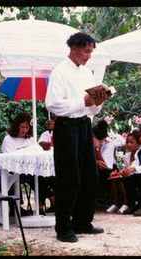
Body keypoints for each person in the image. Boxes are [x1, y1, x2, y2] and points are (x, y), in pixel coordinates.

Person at [45, 32, 107, 243]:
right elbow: (53, 104)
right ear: (73, 48)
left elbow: (91, 109)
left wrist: (98, 101)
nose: (89, 55)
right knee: (69, 177)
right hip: (65, 126)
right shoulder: (59, 72)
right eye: (86, 51)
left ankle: (83, 221)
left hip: (83, 126)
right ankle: (63, 227)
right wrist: (83, 102)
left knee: (90, 176)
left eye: (91, 51)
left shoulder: (87, 73)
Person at [1, 112, 36, 214]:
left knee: (39, 176)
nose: (24, 130)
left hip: (29, 169)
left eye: (27, 127)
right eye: (22, 127)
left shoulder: (30, 140)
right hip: (13, 171)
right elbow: (8, 159)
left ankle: (41, 204)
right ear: (17, 126)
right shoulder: (8, 139)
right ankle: (17, 207)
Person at [92, 120, 124, 213]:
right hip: (98, 169)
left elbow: (104, 165)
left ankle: (116, 203)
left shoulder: (108, 144)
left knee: (112, 177)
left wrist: (97, 149)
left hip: (108, 169)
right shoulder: (91, 142)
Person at [107, 130, 140, 214]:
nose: (128, 144)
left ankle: (126, 203)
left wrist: (122, 172)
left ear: (138, 143)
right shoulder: (127, 155)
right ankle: (115, 203)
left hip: (136, 176)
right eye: (127, 142)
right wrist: (116, 172)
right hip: (126, 174)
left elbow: (137, 168)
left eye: (132, 142)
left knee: (122, 178)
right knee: (113, 178)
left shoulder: (140, 154)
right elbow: (121, 167)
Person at [37, 114, 56, 213]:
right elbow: (38, 147)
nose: (53, 122)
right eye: (52, 119)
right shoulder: (45, 134)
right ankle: (40, 206)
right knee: (40, 176)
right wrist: (43, 145)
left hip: (59, 168)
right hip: (46, 166)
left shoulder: (65, 133)